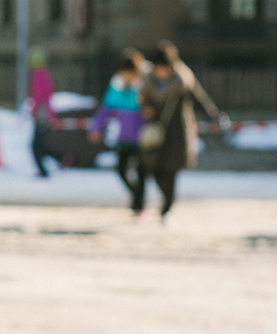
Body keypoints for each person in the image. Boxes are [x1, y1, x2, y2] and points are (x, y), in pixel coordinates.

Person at [139, 45, 222, 224]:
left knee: (171, 169)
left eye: (164, 68)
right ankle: (166, 204)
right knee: (154, 168)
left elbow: (199, 98)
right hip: (156, 132)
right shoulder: (147, 81)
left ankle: (167, 209)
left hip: (178, 131)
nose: (161, 72)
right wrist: (145, 108)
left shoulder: (183, 79)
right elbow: (142, 99)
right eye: (158, 68)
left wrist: (213, 115)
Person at [89, 56, 146, 213]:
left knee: (141, 172)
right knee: (121, 169)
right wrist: (96, 128)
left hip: (142, 138)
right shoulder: (116, 88)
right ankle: (137, 197)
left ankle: (139, 205)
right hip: (124, 137)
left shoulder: (144, 87)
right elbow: (105, 109)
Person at [28, 47, 57, 177]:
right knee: (41, 144)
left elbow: (41, 96)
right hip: (45, 114)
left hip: (42, 115)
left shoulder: (39, 76)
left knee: (36, 145)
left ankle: (44, 170)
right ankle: (60, 159)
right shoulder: (45, 74)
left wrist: (35, 111)